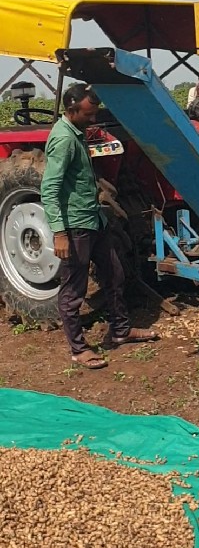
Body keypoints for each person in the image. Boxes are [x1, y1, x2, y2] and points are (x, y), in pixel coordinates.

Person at [40, 83, 158, 369]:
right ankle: (79, 349)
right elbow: (49, 189)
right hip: (75, 226)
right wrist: (59, 233)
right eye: (88, 114)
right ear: (71, 109)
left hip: (94, 219)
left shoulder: (77, 132)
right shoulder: (64, 140)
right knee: (73, 291)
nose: (93, 118)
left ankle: (120, 330)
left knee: (114, 274)